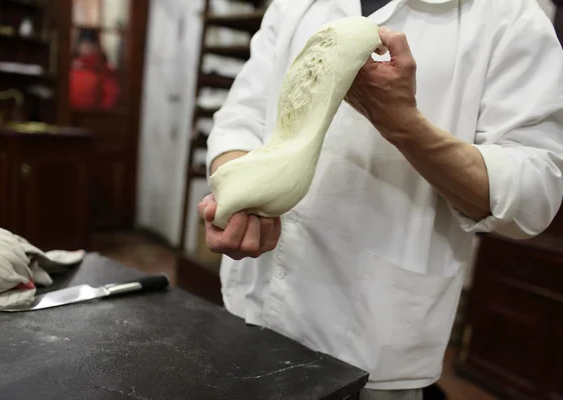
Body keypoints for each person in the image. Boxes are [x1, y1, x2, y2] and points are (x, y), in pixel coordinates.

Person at [198, 0, 563, 399]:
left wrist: (402, 124)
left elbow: (535, 195)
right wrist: (239, 192)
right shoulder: (294, 5)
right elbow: (241, 117)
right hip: (251, 308)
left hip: (373, 345)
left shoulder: (508, 15)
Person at [69, 28, 120, 110]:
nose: (87, 47)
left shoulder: (103, 68)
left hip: (94, 116)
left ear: (97, 46)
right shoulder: (72, 65)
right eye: (84, 44)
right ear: (78, 45)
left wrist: (100, 115)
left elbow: (111, 95)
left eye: (90, 44)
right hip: (71, 113)